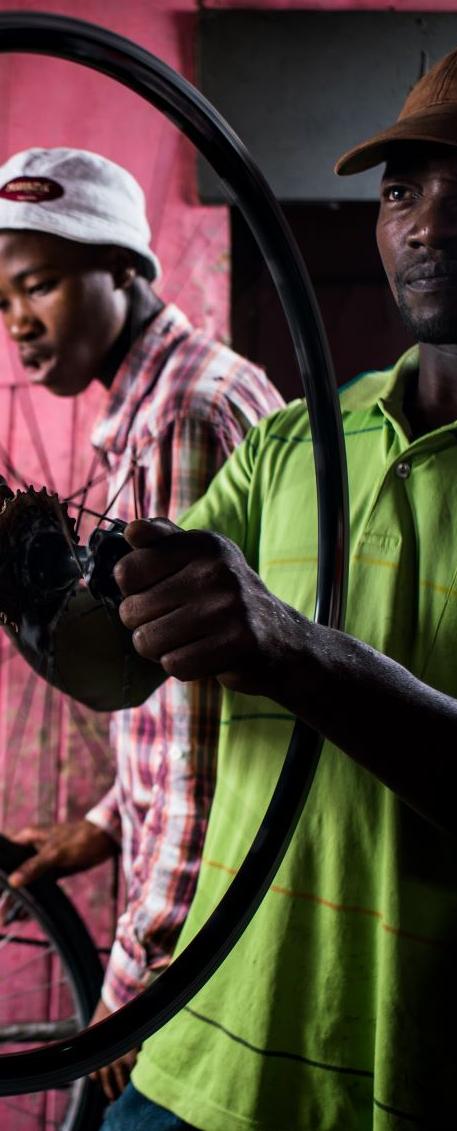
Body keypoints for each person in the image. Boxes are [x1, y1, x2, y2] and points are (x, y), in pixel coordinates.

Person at [16, 40, 457, 1130]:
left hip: (454, 1091)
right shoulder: (293, 445)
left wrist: (291, 647)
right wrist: (33, 585)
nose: (428, 220)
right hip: (198, 1069)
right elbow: (117, 668)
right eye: (401, 190)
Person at [0, 147, 283, 1100]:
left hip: (203, 949)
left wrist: (138, 982)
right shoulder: (159, 404)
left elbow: (206, 732)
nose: (18, 324)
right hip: (202, 906)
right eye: (2, 302)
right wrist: (101, 823)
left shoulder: (181, 422)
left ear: (125, 266)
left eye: (37, 284)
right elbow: (168, 704)